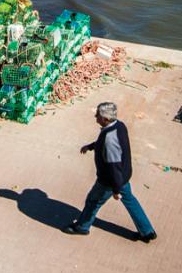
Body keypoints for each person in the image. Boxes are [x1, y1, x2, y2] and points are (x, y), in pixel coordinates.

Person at [63, 101, 157, 242]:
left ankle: (82, 227)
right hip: (124, 176)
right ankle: (147, 231)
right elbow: (106, 144)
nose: (95, 117)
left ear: (106, 119)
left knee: (93, 201)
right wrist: (91, 146)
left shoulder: (110, 140)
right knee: (130, 200)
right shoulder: (119, 125)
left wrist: (115, 190)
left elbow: (114, 167)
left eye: (98, 116)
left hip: (109, 181)